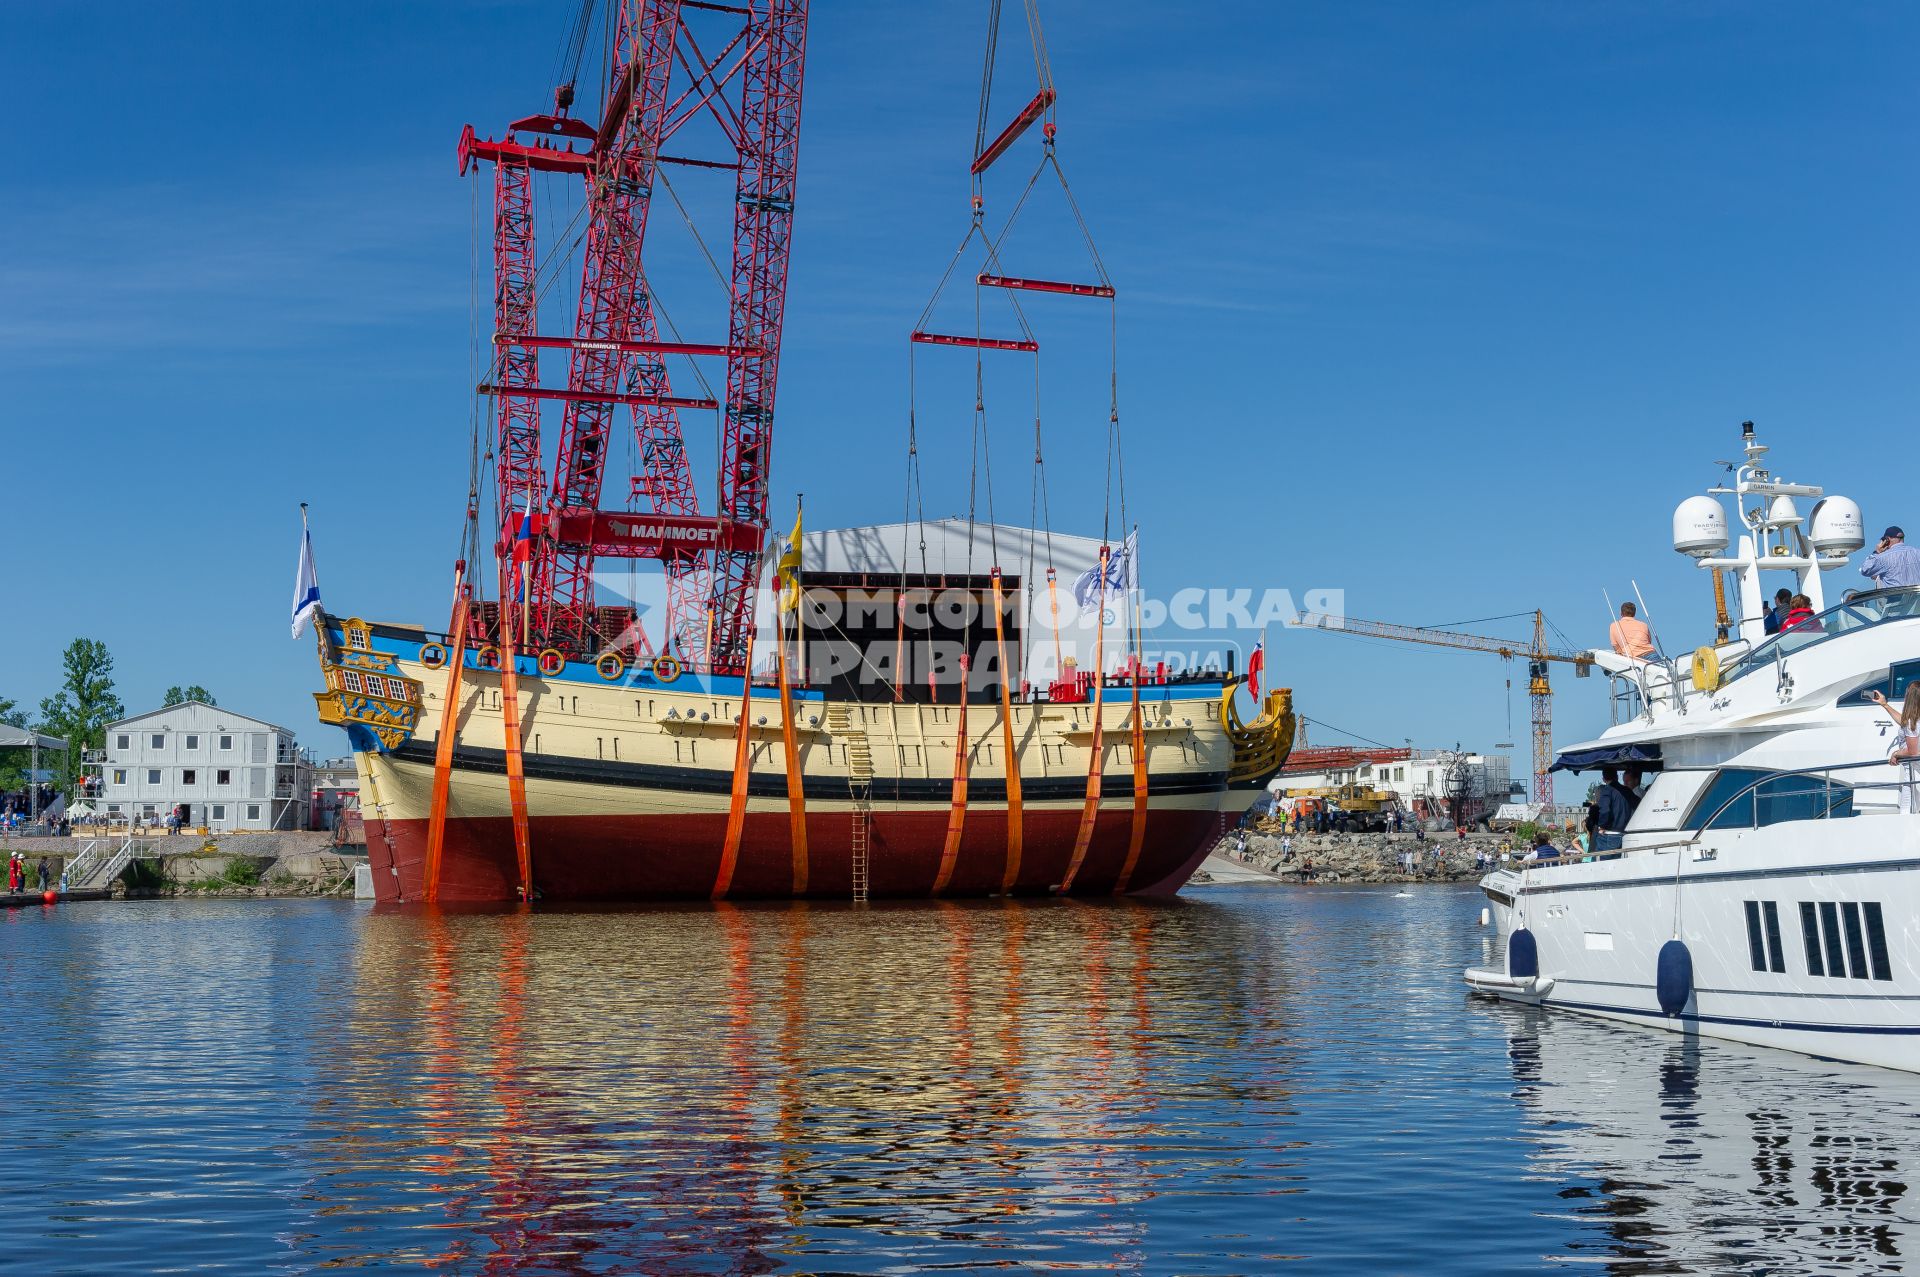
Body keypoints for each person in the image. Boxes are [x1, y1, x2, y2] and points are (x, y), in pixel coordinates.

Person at [1868, 684, 1920, 814]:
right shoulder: (1912, 720)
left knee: (1906, 812)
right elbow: (1904, 723)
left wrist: (1896, 754)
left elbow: (1913, 751)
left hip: (1914, 771)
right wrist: (1885, 704)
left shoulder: (1912, 722)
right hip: (1915, 770)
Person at [1592, 766, 1640, 853]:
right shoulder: (1627, 790)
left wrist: (1602, 826)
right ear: (1617, 777)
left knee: (1602, 864)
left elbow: (1605, 810)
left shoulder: (1607, 791)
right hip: (1624, 835)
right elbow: (1639, 805)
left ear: (1603, 779)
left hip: (1609, 836)